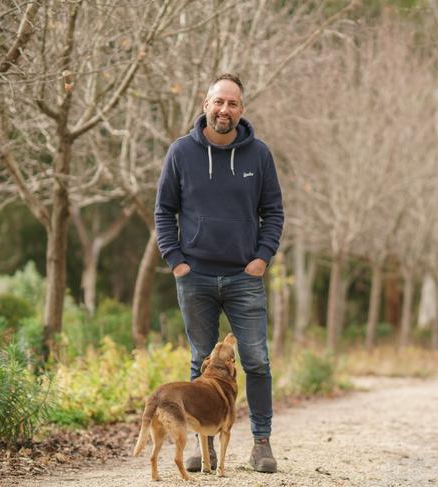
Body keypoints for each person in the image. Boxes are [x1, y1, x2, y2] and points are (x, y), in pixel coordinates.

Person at [154, 73, 284, 474]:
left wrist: (262, 257)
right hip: (195, 277)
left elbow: (273, 212)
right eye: (218, 102)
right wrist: (175, 259)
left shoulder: (258, 155)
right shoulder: (180, 153)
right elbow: (164, 211)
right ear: (205, 103)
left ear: (241, 110)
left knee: (257, 359)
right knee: (200, 361)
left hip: (245, 276)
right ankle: (204, 446)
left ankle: (261, 443)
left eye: (232, 103)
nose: (224, 109)